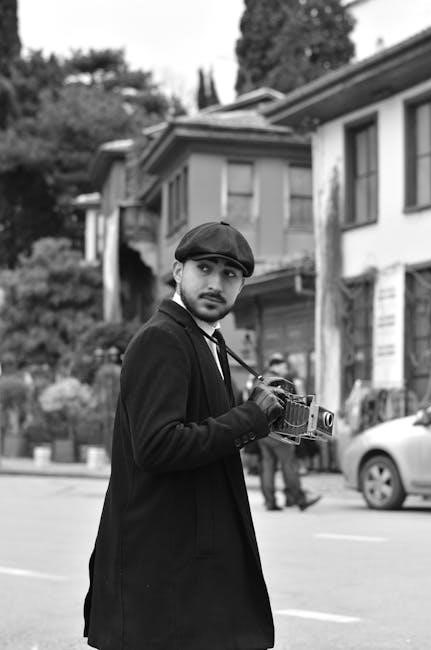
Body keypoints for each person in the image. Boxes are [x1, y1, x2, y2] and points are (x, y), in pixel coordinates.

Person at [83, 221, 285, 650]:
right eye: (204, 268)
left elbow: (204, 428)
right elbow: (158, 446)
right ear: (178, 271)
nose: (216, 283)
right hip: (160, 574)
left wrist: (262, 412)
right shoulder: (162, 339)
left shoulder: (208, 340)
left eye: (230, 274)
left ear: (241, 285)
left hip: (189, 567)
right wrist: (250, 417)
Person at [257, 353, 322, 512]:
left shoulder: (260, 380)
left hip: (262, 430)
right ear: (276, 365)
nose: (286, 369)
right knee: (289, 464)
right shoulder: (278, 382)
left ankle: (270, 501)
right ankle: (298, 497)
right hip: (279, 431)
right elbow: (288, 405)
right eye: (284, 366)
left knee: (268, 465)